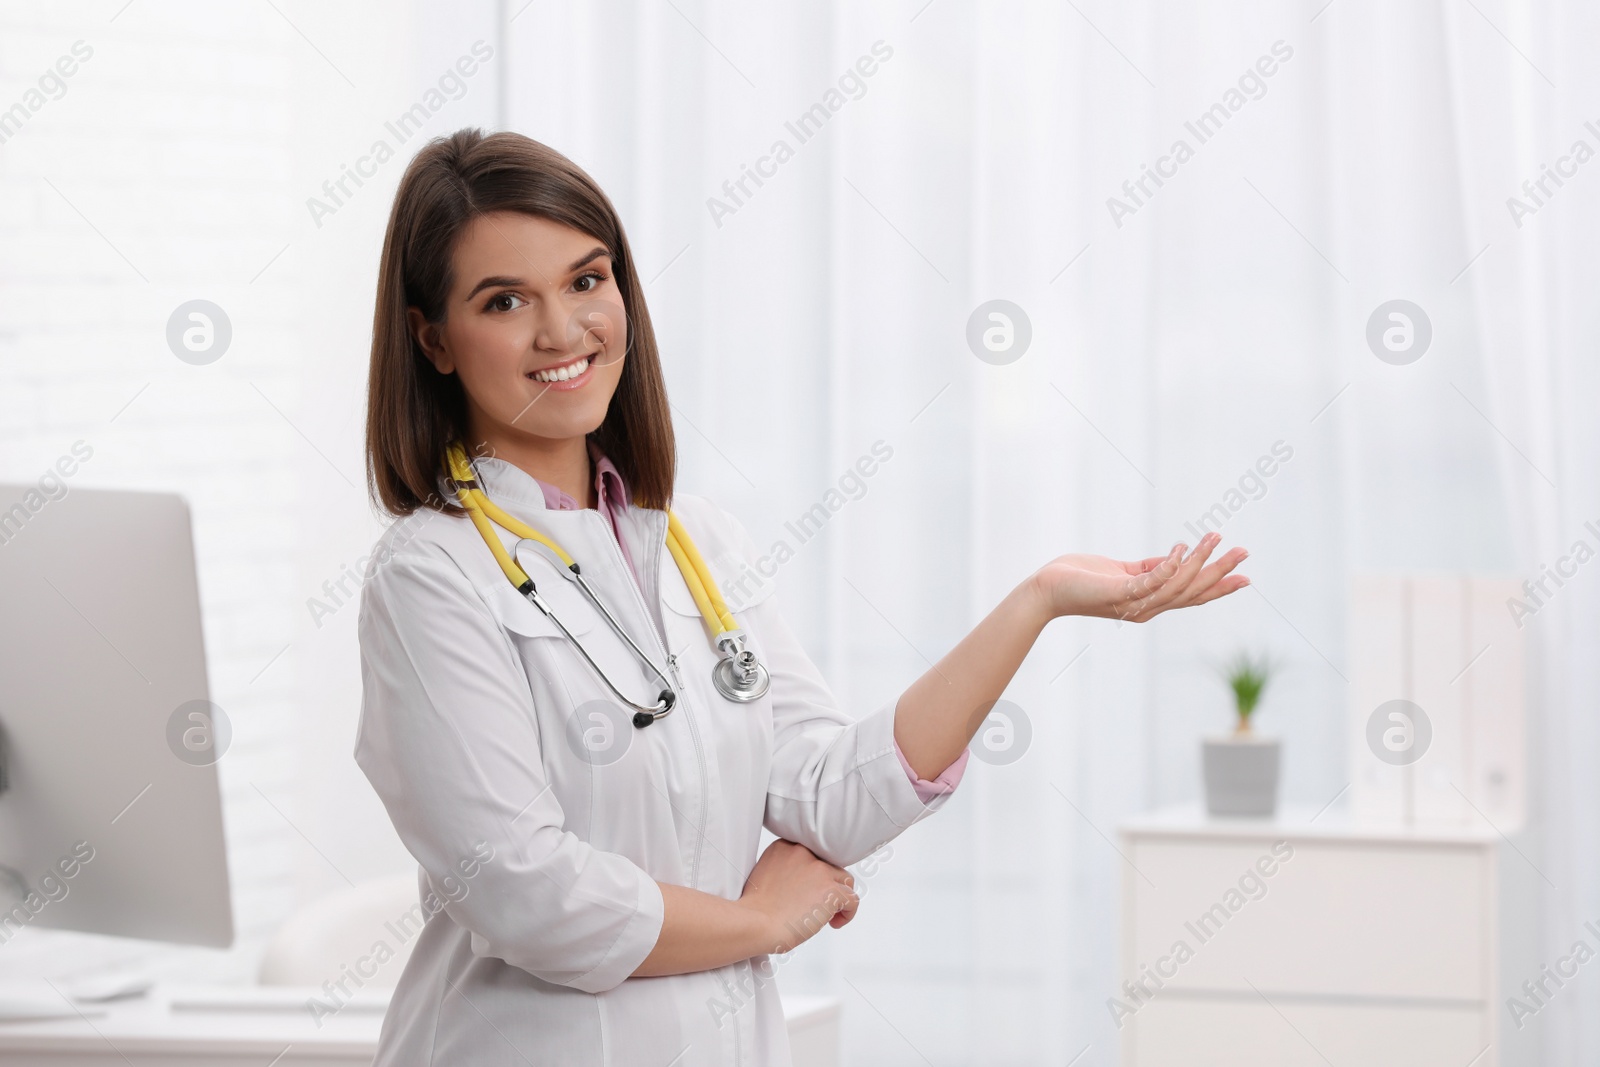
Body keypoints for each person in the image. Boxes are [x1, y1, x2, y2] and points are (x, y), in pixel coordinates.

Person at [355, 128, 1249, 1066]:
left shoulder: (696, 542)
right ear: (433, 338)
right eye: (505, 300)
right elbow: (523, 889)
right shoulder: (429, 578)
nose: (564, 330)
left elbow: (828, 793)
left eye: (587, 280)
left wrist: (1039, 599)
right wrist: (761, 921)